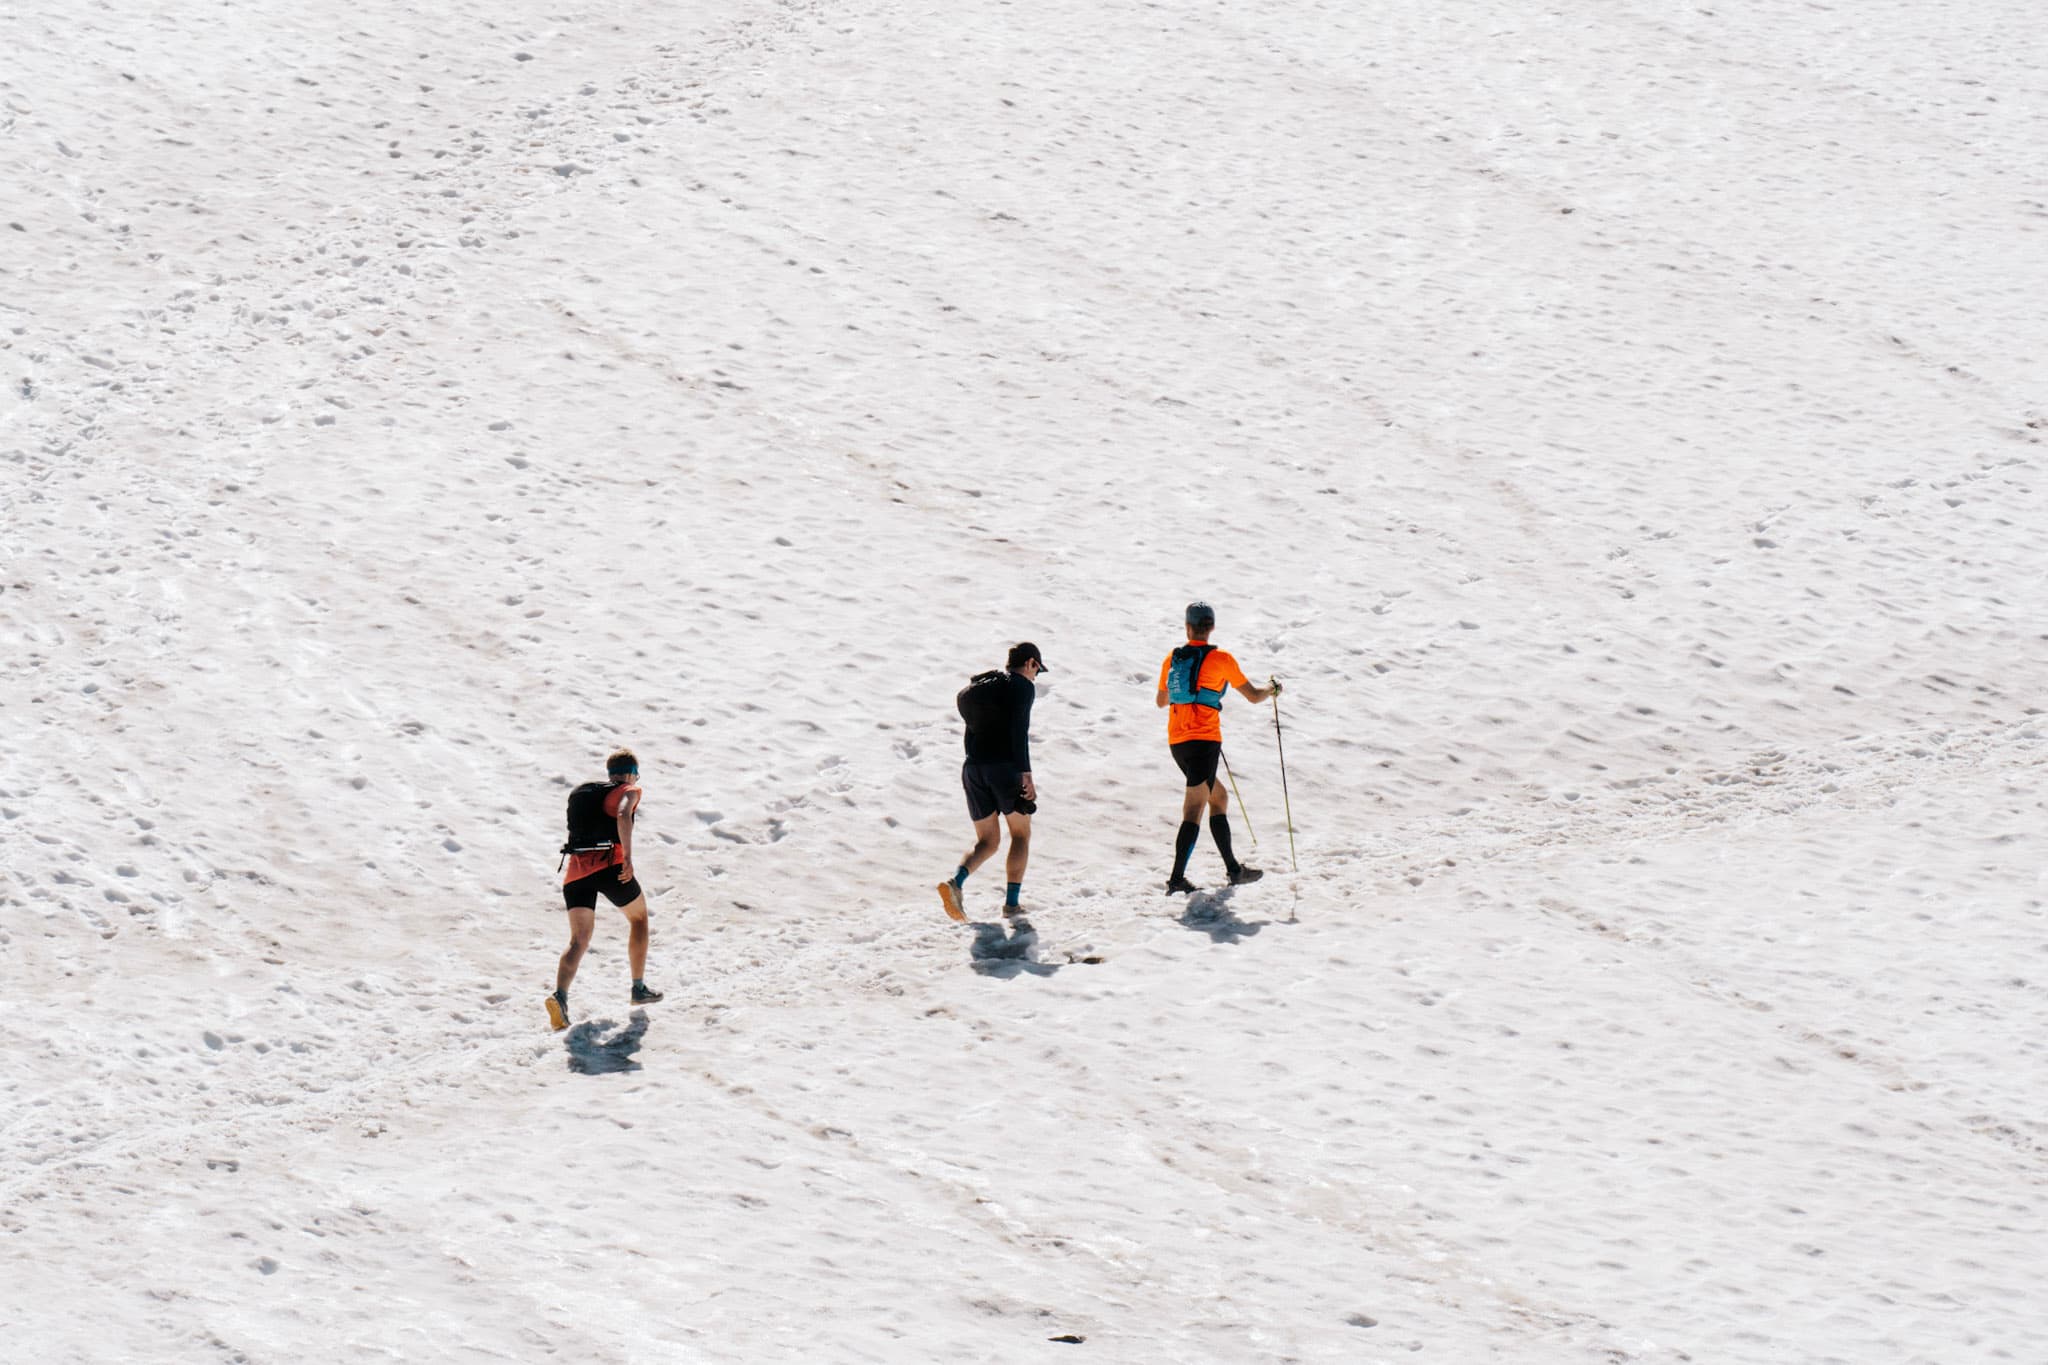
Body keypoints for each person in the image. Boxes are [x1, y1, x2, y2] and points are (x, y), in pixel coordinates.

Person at [1156, 602, 1280, 894]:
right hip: (1204, 741)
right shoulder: (1221, 659)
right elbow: (1252, 695)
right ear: (1210, 627)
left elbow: (1161, 701)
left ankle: (1234, 869)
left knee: (1219, 797)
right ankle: (1176, 880)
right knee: (1194, 807)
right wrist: (1273, 688)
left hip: (1178, 741)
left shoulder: (1173, 659)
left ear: (1188, 627)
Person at [547, 748, 664, 1030]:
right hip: (610, 866)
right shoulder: (629, 789)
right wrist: (627, 857)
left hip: (576, 873)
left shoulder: (586, 793)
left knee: (579, 940)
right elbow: (623, 814)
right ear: (629, 773)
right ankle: (638, 988)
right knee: (639, 918)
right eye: (635, 774)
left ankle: (560, 997)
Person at [937, 642, 1046, 922]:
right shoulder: (1021, 686)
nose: (1036, 676)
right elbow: (1019, 731)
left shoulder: (979, 690)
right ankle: (1011, 906)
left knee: (987, 840)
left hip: (973, 768)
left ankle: (956, 883)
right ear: (1031, 663)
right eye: (1037, 671)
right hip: (1006, 768)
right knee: (1020, 834)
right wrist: (1026, 774)